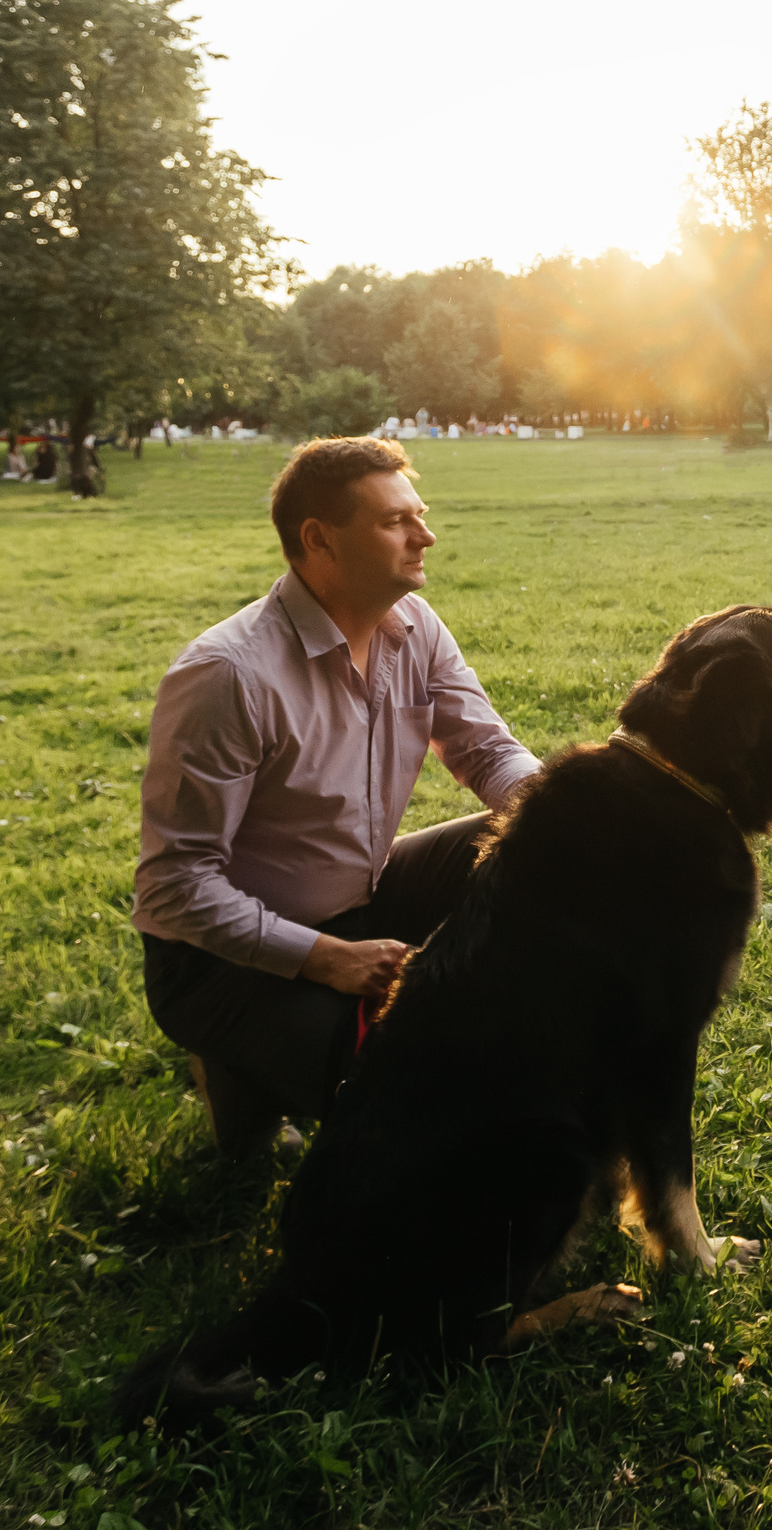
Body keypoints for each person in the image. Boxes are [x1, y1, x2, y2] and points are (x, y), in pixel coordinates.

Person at [132, 437, 541, 1156]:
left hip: (362, 902)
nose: (426, 535)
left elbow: (487, 750)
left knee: (533, 831)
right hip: (217, 967)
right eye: (395, 522)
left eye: (420, 514)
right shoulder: (228, 675)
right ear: (318, 540)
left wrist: (576, 813)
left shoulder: (417, 628)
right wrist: (326, 959)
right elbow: (173, 888)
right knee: (413, 1091)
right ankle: (243, 1063)